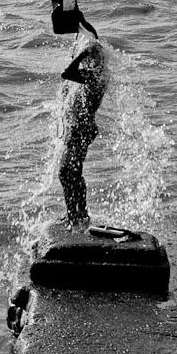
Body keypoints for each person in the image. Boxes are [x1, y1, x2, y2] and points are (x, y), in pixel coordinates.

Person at [58, 17, 107, 227]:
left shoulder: (94, 77)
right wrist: (81, 20)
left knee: (65, 172)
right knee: (74, 172)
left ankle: (75, 216)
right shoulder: (98, 74)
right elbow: (92, 35)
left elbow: (67, 73)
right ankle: (80, 214)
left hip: (81, 127)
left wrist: (82, 54)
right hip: (82, 126)